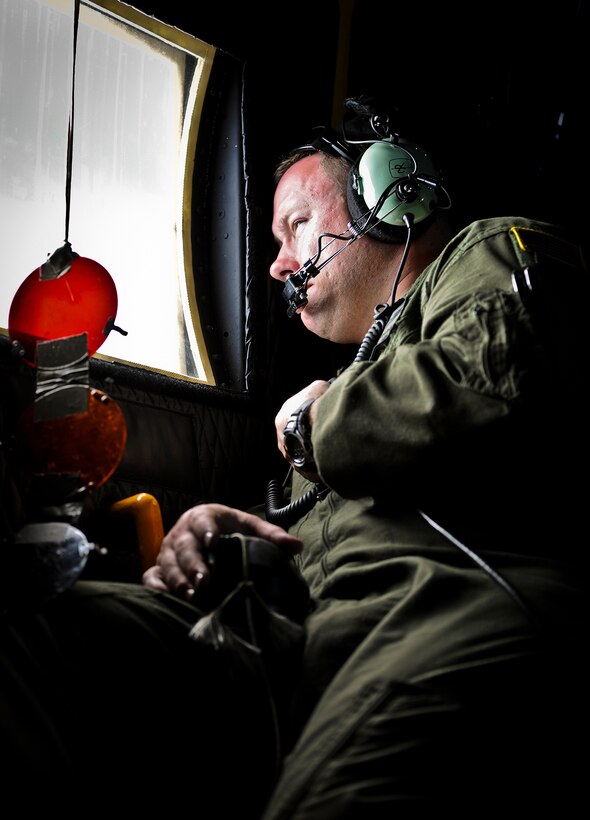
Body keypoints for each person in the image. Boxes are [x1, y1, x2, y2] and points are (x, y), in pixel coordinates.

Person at [142, 98, 588, 815]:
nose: (278, 264)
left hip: (449, 607)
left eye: (298, 225)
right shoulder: (347, 381)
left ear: (391, 193)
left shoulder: (491, 251)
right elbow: (311, 528)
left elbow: (480, 386)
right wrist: (221, 529)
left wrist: (317, 421)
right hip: (317, 637)